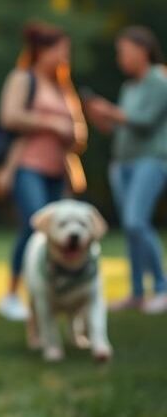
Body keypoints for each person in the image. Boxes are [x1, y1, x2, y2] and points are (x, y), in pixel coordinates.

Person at [0, 21, 87, 321]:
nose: (64, 57)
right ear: (42, 51)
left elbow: (79, 132)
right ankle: (11, 294)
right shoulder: (23, 78)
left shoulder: (63, 86)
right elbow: (9, 116)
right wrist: (51, 124)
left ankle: (50, 292)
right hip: (27, 165)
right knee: (35, 225)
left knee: (57, 232)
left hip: (58, 170)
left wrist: (72, 133)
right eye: (60, 50)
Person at [85, 26, 167, 315]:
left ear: (142, 50)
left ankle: (162, 287)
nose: (120, 58)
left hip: (151, 161)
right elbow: (119, 126)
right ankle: (137, 292)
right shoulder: (129, 87)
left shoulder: (159, 80)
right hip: (122, 164)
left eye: (123, 51)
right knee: (131, 231)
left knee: (136, 222)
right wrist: (100, 117)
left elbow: (144, 121)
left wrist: (110, 110)